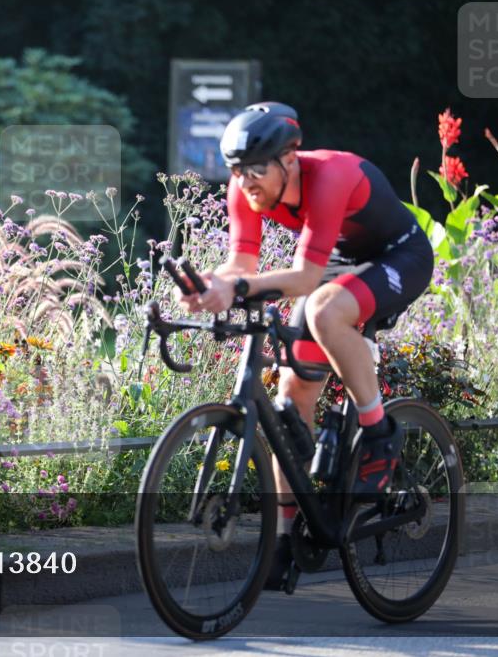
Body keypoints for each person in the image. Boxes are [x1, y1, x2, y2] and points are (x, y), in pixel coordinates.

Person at [173, 102, 434, 590]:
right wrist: (210, 285)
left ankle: (379, 433)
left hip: (399, 255)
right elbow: (241, 265)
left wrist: (240, 289)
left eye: (255, 169)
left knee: (323, 309)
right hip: (341, 259)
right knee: (291, 397)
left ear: (289, 159)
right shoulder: (243, 190)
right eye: (235, 170)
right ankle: (287, 538)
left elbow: (308, 278)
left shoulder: (329, 176)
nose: (245, 180)